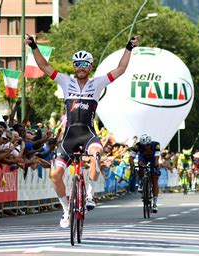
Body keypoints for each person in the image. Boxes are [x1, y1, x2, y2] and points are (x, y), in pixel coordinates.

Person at [26, 33, 139, 228]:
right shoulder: (65, 81)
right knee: (55, 175)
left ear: (90, 67)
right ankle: (66, 210)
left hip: (88, 134)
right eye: (77, 64)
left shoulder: (97, 83)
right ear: (73, 67)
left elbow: (120, 69)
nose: (80, 67)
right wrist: (33, 46)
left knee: (96, 154)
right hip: (69, 137)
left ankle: (90, 194)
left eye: (84, 64)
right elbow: (44, 67)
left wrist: (128, 48)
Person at [129, 134, 161, 213]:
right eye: (144, 146)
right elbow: (131, 158)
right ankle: (140, 181)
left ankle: (155, 203)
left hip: (153, 158)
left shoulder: (156, 145)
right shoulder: (137, 146)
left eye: (148, 145)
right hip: (143, 158)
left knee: (154, 179)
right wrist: (132, 168)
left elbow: (156, 159)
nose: (146, 147)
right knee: (141, 165)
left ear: (150, 143)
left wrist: (156, 168)